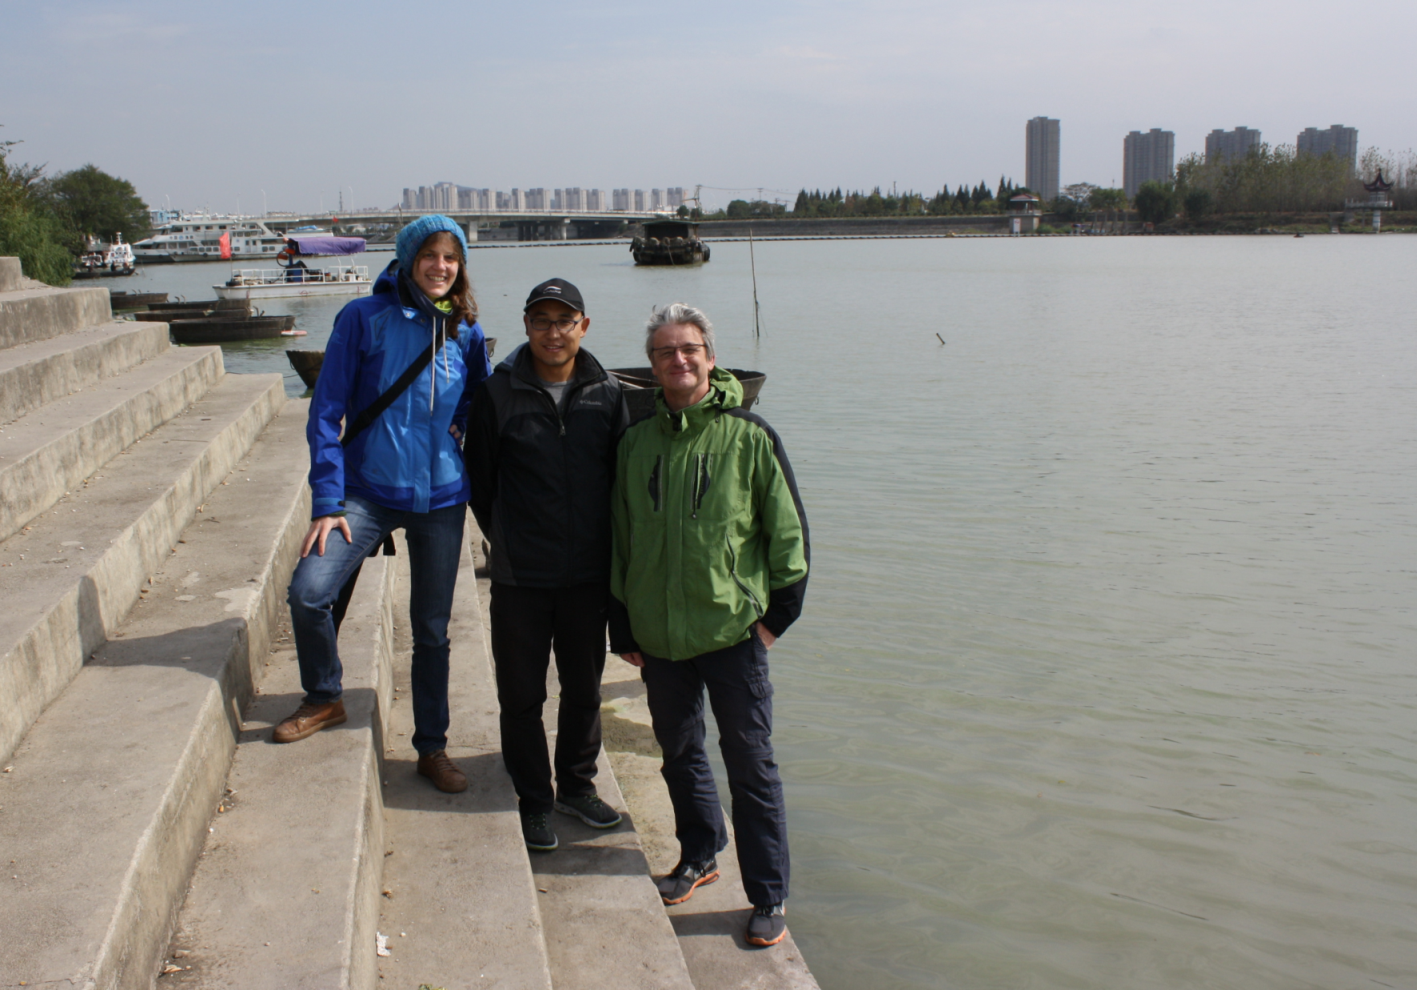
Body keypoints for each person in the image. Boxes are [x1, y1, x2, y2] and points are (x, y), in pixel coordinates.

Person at [609, 303, 809, 948]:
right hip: (661, 637)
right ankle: (700, 853)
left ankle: (769, 894)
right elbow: (621, 540)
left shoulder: (750, 437)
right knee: (679, 753)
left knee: (751, 766)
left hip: (732, 635)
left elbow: (789, 537)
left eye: (689, 348)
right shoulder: (636, 444)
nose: (679, 360)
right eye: (666, 352)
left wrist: (776, 619)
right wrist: (624, 624)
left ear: (710, 357)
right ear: (653, 366)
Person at [277, 215, 492, 797]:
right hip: (365, 492)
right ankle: (325, 696)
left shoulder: (466, 330)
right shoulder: (362, 319)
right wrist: (327, 499)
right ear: (406, 258)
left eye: (451, 257)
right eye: (430, 255)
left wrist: (462, 432)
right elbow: (325, 413)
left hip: (443, 500)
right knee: (309, 591)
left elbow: (480, 399)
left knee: (432, 630)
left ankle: (433, 747)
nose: (441, 266)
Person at [465, 277, 630, 851]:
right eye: (542, 321)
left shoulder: (607, 394)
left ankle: (576, 786)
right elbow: (480, 485)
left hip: (588, 574)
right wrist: (513, 539)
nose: (553, 332)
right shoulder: (497, 394)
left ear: (583, 327)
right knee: (522, 695)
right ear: (528, 326)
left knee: (584, 689)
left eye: (565, 321)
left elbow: (620, 482)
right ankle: (535, 799)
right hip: (520, 577)